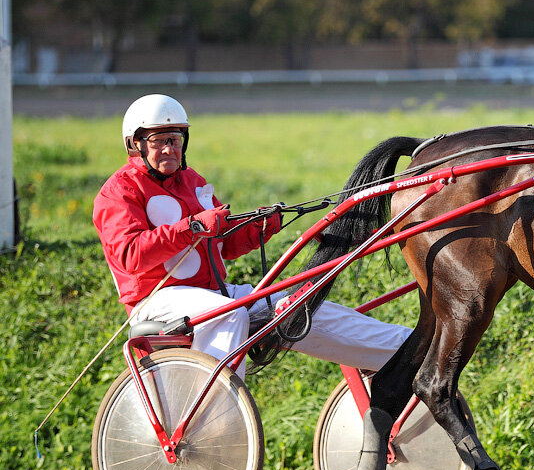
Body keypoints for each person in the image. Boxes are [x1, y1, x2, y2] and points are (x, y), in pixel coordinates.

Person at [93, 93, 410, 378]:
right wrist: (194, 226)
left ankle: (404, 352)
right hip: (156, 302)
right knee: (228, 314)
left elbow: (226, 243)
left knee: (297, 305)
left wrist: (262, 224)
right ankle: (216, 416)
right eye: (158, 141)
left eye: (175, 140)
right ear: (135, 144)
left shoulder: (191, 180)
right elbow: (129, 256)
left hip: (215, 294)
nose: (169, 148)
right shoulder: (119, 191)